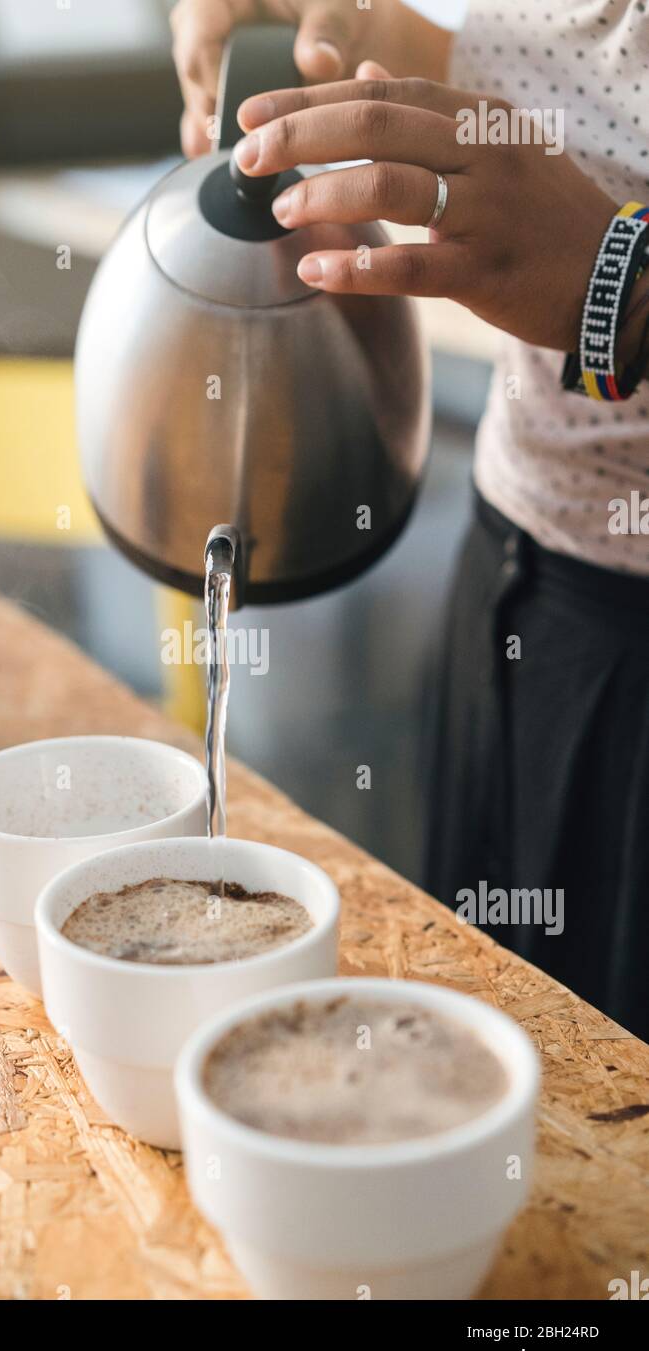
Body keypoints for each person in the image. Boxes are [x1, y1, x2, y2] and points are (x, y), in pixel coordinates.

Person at [170, 0, 649, 1039]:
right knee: (514, 1053)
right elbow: (593, 65)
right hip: (522, 578)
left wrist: (624, 287)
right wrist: (361, 35)